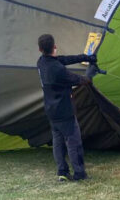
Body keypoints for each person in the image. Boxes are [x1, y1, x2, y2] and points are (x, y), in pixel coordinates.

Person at [36, 34, 96, 182]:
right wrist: (91, 72)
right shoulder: (58, 70)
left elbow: (63, 59)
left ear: (40, 49)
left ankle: (62, 172)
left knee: (57, 142)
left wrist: (86, 57)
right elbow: (81, 80)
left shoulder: (41, 62)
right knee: (73, 142)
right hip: (64, 112)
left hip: (51, 111)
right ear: (54, 46)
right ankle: (79, 174)